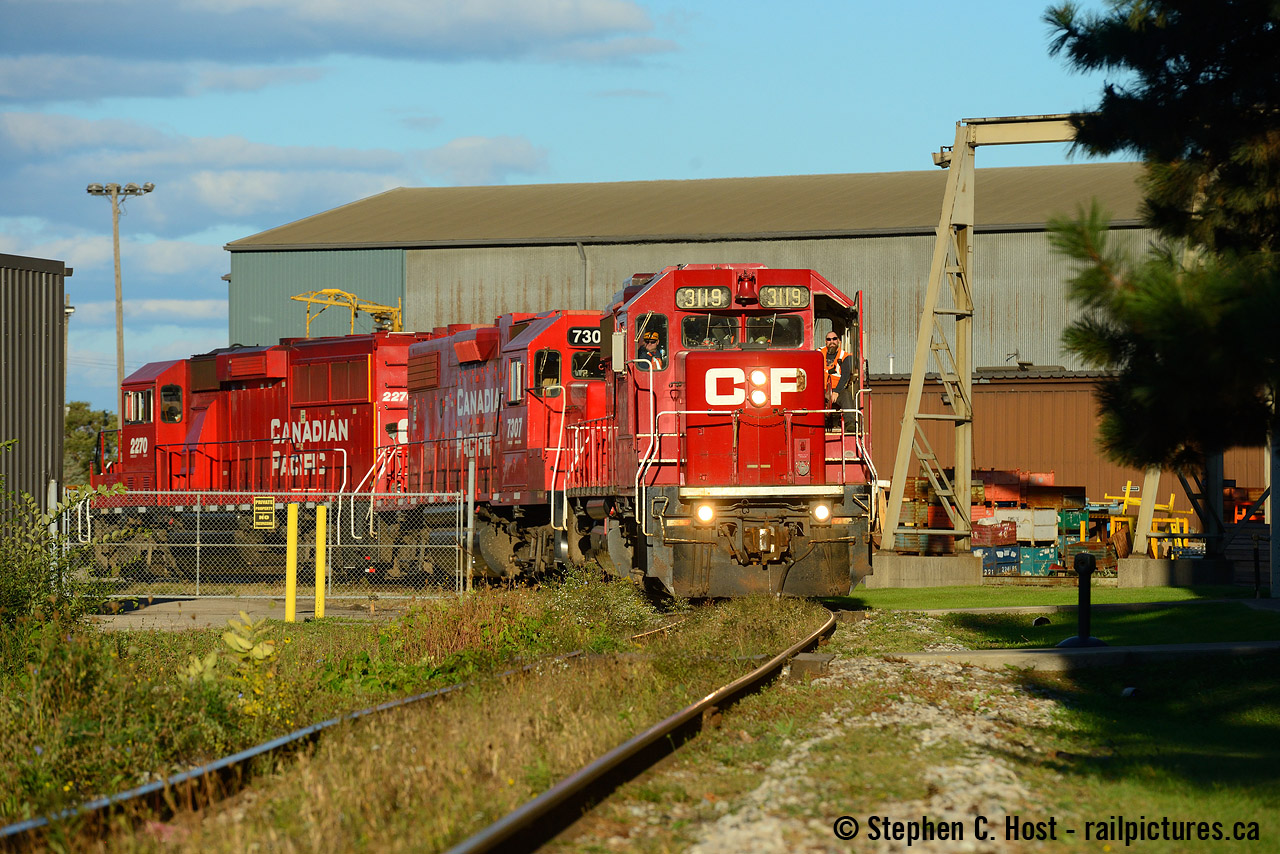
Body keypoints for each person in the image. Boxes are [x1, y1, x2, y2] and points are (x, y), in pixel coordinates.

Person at [820, 332, 846, 429]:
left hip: (837, 390)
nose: (832, 341)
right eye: (829, 339)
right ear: (825, 342)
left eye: (834, 339)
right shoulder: (817, 353)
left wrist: (836, 391)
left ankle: (850, 424)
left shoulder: (844, 356)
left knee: (846, 396)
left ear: (838, 341)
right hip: (821, 389)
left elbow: (845, 376)